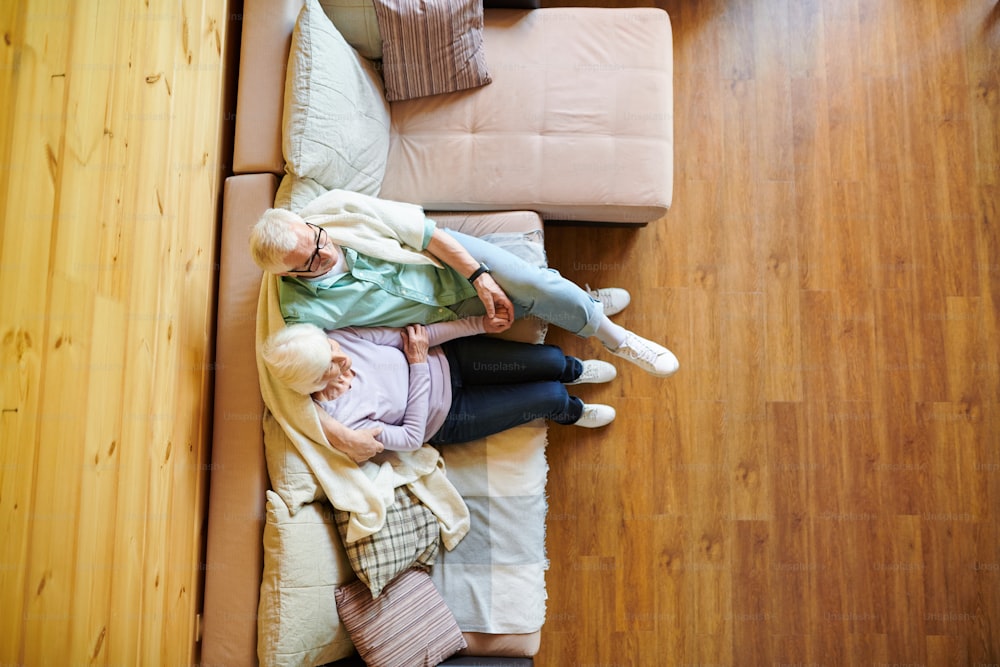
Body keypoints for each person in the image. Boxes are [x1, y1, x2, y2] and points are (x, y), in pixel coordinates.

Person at [250, 189, 679, 459]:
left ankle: (615, 337)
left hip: (446, 265)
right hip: (441, 327)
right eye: (309, 261)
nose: (324, 251)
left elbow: (427, 235)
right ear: (287, 275)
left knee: (530, 283)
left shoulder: (336, 212)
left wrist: (480, 276)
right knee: (532, 318)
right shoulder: (302, 315)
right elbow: (285, 386)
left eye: (317, 238)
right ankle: (579, 309)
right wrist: (340, 435)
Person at [261, 319, 620, 449]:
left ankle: (573, 369)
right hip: (449, 417)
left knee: (553, 361)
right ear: (313, 382)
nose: (344, 359)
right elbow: (412, 437)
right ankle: (572, 411)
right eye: (332, 366)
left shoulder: (341, 337)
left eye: (332, 348)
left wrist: (481, 323)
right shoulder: (341, 420)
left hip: (453, 360)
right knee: (551, 396)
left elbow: (421, 335)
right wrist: (417, 365)